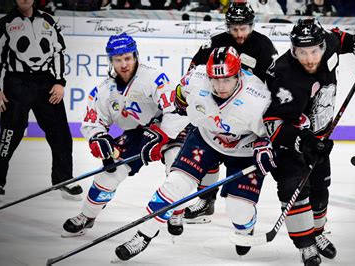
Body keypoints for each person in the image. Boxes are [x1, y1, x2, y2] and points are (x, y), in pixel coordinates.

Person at [113, 46, 276, 261]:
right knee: (174, 184)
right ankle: (143, 235)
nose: (220, 86)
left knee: (239, 210)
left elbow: (275, 130)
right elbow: (179, 104)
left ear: (238, 75)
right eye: (215, 80)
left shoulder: (258, 98)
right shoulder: (195, 78)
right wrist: (164, 132)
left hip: (244, 149)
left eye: (226, 79)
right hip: (205, 138)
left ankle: (245, 228)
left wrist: (266, 144)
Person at [264, 18, 355, 265]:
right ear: (293, 50)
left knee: (320, 190)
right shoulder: (284, 76)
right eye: (302, 52)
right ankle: (306, 244)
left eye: (314, 51)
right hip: (288, 142)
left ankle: (318, 233)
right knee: (295, 188)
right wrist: (304, 141)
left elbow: (343, 39)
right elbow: (273, 124)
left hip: (320, 137)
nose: (309, 58)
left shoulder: (328, 43)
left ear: (322, 46)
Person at [61, 32, 188, 237]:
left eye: (128, 58)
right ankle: (87, 215)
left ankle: (177, 211)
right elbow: (92, 121)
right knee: (110, 173)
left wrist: (161, 134)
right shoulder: (104, 90)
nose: (124, 64)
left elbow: (177, 111)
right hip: (137, 134)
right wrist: (97, 138)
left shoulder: (154, 77)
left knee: (176, 166)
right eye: (118, 60)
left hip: (169, 130)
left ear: (136, 56)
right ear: (111, 60)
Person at [179, 0, 278, 226]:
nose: (239, 33)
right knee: (207, 147)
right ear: (227, 26)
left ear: (252, 25)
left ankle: (243, 212)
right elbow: (194, 72)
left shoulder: (264, 47)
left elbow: (274, 86)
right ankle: (206, 200)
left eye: (243, 28)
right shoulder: (215, 43)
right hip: (217, 107)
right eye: (234, 28)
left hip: (245, 118)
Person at [0, 0, 82, 201]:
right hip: (16, 83)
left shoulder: (48, 20)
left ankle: (63, 179)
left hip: (46, 83)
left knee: (60, 132)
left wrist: (60, 81)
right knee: (11, 132)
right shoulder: (5, 23)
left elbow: (58, 52)